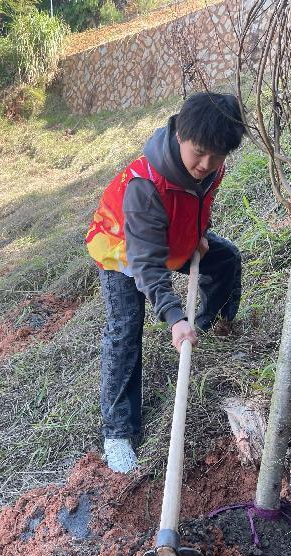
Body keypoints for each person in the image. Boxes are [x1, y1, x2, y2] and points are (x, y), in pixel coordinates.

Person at [86, 92, 245, 473]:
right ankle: (118, 432)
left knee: (226, 259)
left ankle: (212, 326)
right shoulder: (145, 185)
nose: (206, 165)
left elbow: (200, 203)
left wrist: (200, 232)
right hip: (124, 251)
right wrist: (175, 318)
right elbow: (146, 265)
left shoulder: (212, 168)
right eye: (199, 153)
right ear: (180, 135)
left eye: (217, 157)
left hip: (173, 239)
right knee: (125, 330)